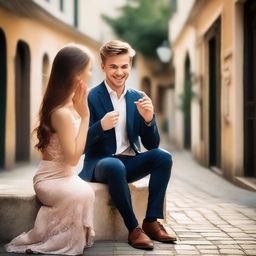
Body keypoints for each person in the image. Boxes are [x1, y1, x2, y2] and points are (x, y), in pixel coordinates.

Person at [79, 40, 176, 250]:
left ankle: (150, 221)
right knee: (115, 166)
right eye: (113, 66)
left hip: (128, 164)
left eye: (124, 66)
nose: (119, 72)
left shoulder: (137, 98)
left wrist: (149, 120)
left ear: (130, 66)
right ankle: (133, 228)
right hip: (100, 164)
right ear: (103, 66)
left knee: (163, 157)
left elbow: (152, 145)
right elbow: (80, 145)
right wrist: (100, 127)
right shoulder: (90, 98)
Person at [5, 44, 95, 255]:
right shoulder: (61, 112)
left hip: (65, 176)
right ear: (76, 72)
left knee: (86, 192)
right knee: (79, 194)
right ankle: (47, 239)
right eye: (89, 68)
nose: (91, 73)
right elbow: (73, 158)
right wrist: (86, 117)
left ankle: (58, 234)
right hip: (49, 179)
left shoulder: (70, 104)